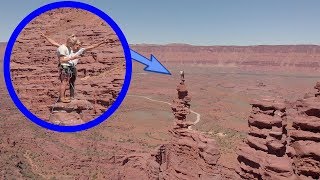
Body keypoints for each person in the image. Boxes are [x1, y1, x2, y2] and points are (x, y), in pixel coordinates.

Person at [41, 33, 106, 103]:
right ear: (74, 44)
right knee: (64, 82)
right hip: (65, 66)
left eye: (79, 45)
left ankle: (71, 96)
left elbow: (92, 47)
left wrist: (101, 43)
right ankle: (62, 97)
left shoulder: (80, 50)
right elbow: (54, 43)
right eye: (77, 45)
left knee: (72, 82)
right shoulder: (67, 48)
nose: (78, 47)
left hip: (72, 67)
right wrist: (46, 37)